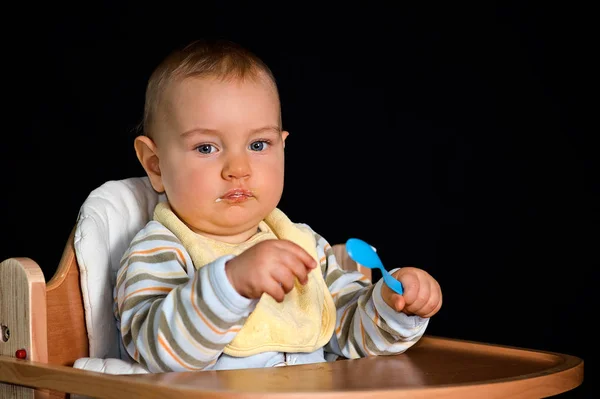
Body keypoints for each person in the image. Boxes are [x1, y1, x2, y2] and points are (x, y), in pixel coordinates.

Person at [114, 39, 443, 373]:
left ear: (282, 148)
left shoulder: (303, 245)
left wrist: (393, 306)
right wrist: (230, 284)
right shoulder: (160, 249)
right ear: (155, 164)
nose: (238, 168)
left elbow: (346, 332)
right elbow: (156, 352)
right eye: (206, 148)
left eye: (258, 144)